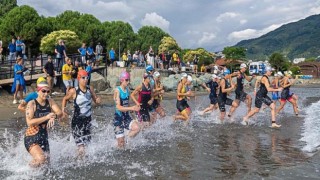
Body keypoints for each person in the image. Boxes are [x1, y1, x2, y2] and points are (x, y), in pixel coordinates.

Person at [62, 70, 101, 157]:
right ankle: (78, 164)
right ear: (79, 78)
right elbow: (65, 99)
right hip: (77, 122)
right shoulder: (73, 91)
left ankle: (80, 161)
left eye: (87, 77)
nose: (86, 79)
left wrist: (98, 100)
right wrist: (63, 110)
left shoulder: (90, 89)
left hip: (87, 121)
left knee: (87, 145)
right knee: (81, 148)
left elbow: (96, 100)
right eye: (83, 78)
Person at [24, 80, 62, 167]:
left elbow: (60, 112)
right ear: (38, 90)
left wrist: (54, 116)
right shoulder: (32, 103)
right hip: (31, 137)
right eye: (43, 91)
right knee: (41, 158)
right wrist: (46, 117)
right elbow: (29, 122)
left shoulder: (50, 101)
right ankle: (25, 171)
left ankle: (34, 174)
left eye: (48, 91)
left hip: (44, 137)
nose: (46, 94)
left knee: (47, 164)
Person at [113, 71, 140, 148]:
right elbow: (118, 107)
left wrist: (133, 111)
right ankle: (120, 140)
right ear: (122, 80)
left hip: (126, 117)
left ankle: (126, 138)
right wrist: (131, 108)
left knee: (137, 128)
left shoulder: (127, 90)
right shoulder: (117, 91)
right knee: (121, 145)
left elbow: (127, 104)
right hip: (118, 118)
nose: (128, 82)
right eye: (126, 80)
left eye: (129, 80)